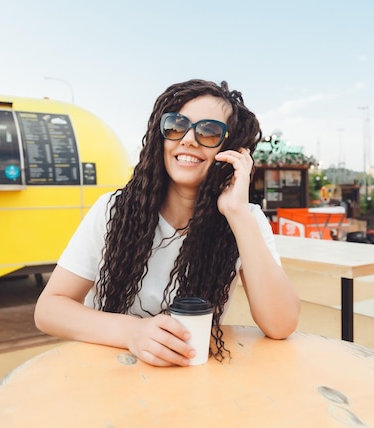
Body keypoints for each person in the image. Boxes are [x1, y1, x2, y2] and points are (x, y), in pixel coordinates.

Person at [34, 79, 300, 367]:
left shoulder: (244, 220)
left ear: (233, 151)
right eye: (176, 125)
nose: (187, 139)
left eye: (209, 132)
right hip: (108, 375)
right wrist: (132, 332)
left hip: (191, 383)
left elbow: (280, 324)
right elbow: (49, 309)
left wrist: (236, 212)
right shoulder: (113, 210)